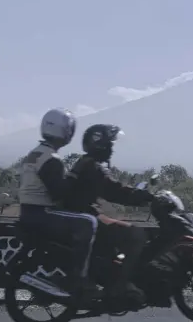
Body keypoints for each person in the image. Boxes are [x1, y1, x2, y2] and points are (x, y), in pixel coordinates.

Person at [64, 123, 155, 306]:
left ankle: (111, 276)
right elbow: (114, 191)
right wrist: (142, 196)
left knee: (116, 228)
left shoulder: (85, 162)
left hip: (80, 214)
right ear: (101, 145)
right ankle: (120, 285)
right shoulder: (94, 167)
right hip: (85, 216)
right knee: (136, 235)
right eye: (110, 144)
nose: (112, 148)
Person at [17, 108, 99, 297]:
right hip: (42, 213)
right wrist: (75, 173)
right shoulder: (51, 159)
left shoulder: (34, 154)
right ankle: (78, 277)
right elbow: (59, 194)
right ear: (65, 131)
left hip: (28, 212)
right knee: (88, 222)